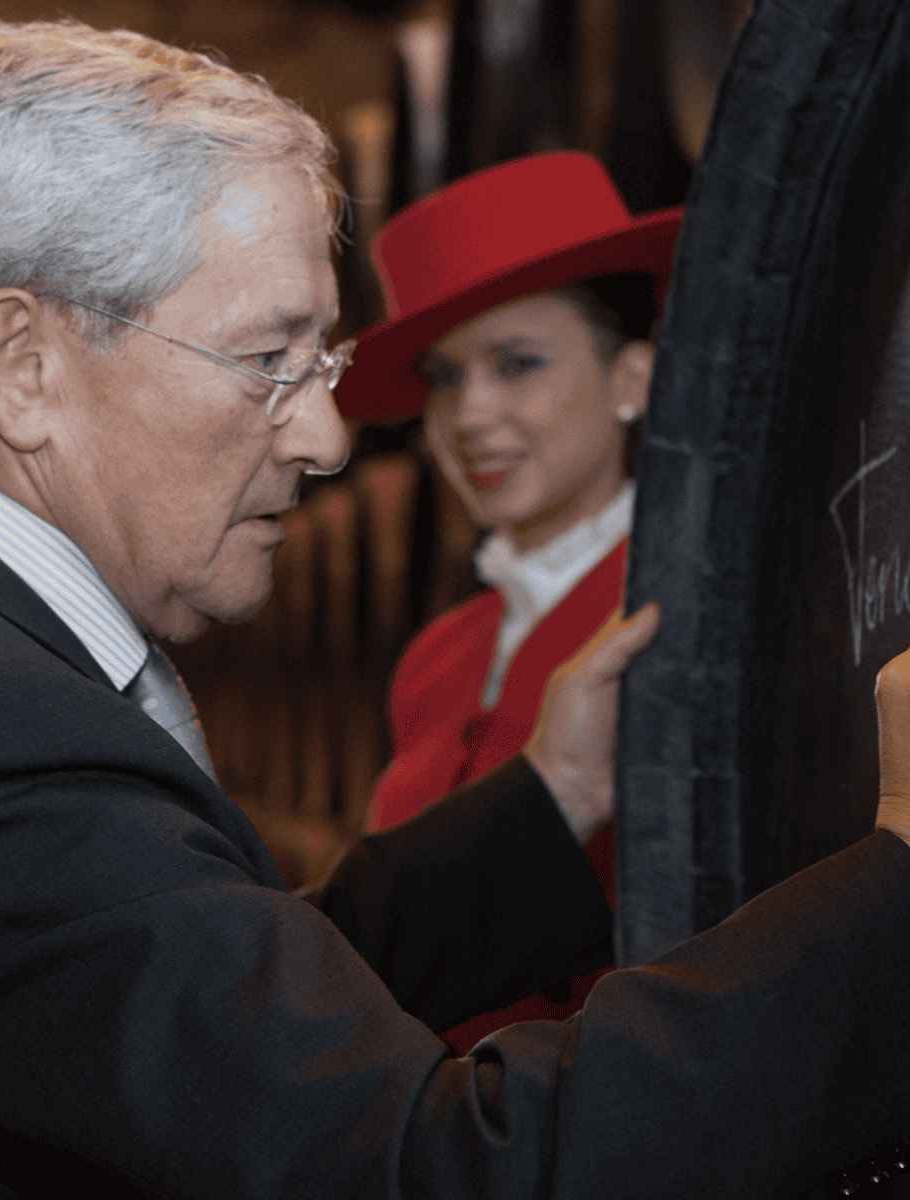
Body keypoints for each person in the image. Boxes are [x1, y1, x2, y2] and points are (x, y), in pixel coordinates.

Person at [0, 20, 910, 1198]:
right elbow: (426, 1171)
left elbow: (213, 1007)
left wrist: (550, 790)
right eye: (270, 358)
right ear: (21, 363)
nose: (331, 439)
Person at [339, 151, 675, 1052]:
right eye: (444, 378)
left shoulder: (681, 611)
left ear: (631, 381)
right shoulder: (437, 653)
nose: (469, 415)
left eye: (515, 364)